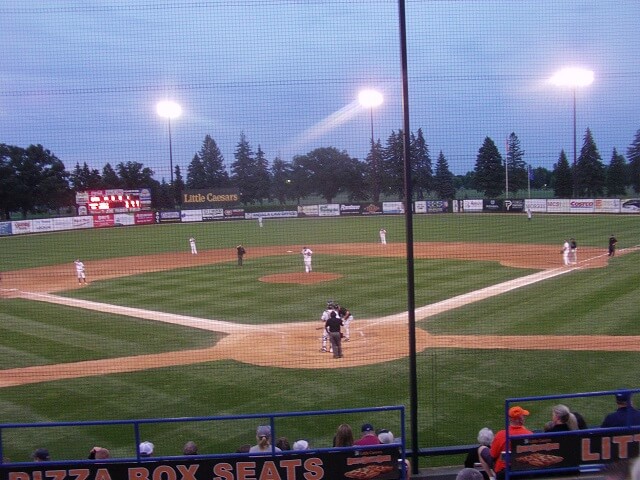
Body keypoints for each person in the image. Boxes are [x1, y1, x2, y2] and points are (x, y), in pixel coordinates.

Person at [490, 406, 533, 480]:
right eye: (523, 416)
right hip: (523, 472)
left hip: (504, 473)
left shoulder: (501, 434)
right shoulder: (529, 434)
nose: (524, 418)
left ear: (510, 419)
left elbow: (493, 455)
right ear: (520, 420)